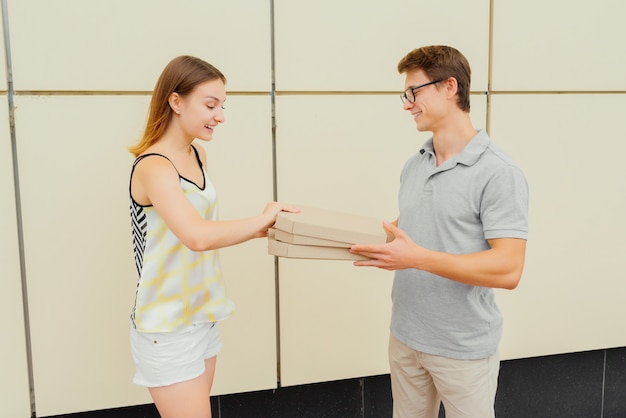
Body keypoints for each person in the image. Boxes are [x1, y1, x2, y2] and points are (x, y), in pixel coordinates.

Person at [350, 45, 529, 418]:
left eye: (414, 92)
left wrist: (417, 258)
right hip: (405, 337)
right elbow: (413, 230)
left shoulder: (498, 172)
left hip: (462, 348)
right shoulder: (415, 164)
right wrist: (329, 236)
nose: (407, 104)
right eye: (406, 94)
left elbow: (509, 269)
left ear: (450, 87)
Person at [127, 55, 298, 418]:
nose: (220, 115)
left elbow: (201, 228)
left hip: (201, 313)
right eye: (210, 104)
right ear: (175, 101)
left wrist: (260, 228)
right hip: (167, 325)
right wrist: (257, 219)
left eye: (222, 105)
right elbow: (197, 237)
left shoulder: (198, 154)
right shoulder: (153, 166)